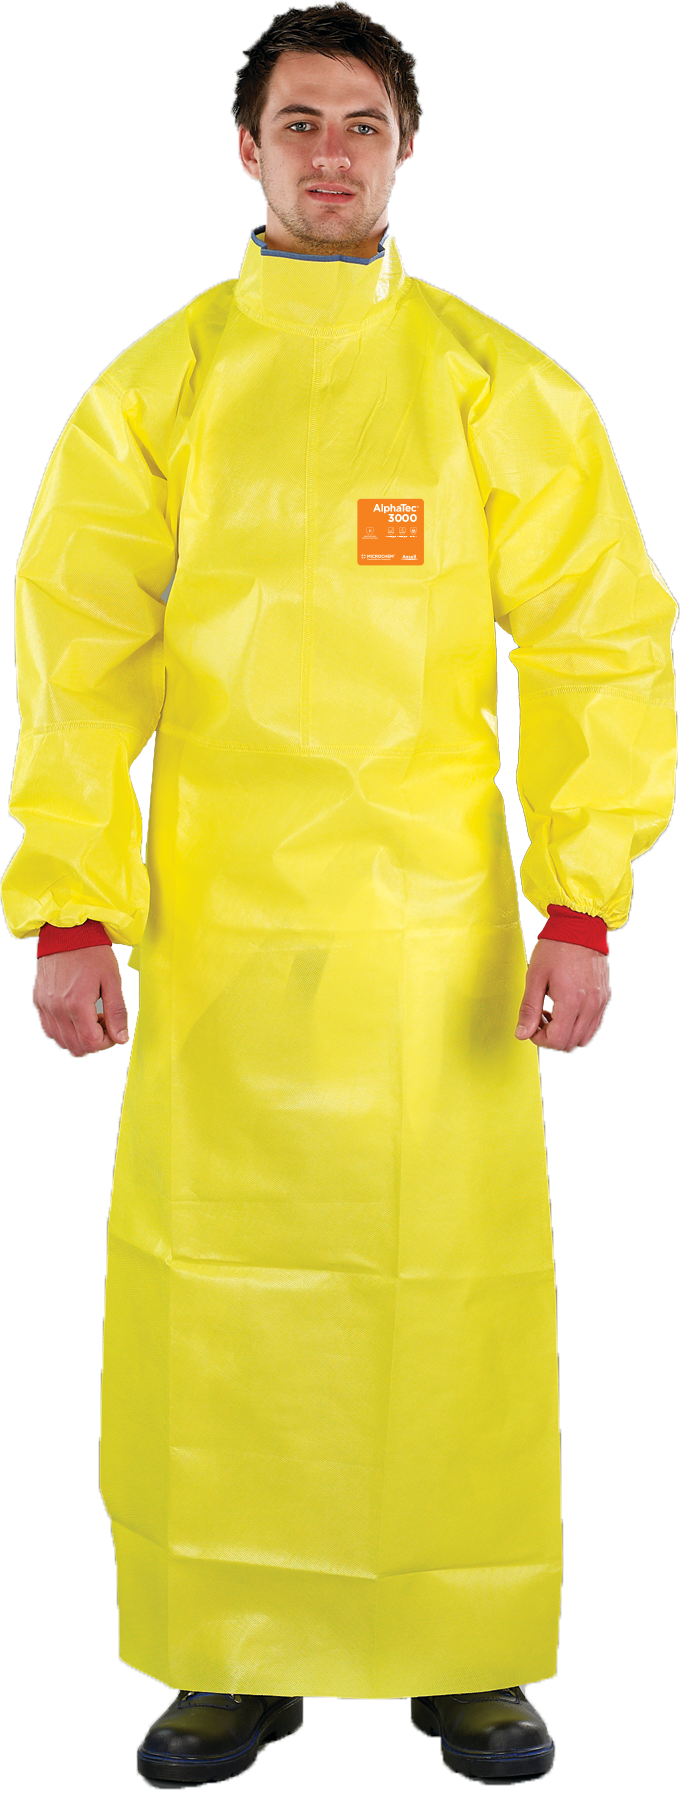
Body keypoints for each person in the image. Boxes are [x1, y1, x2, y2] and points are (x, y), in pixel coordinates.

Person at [2, 0, 676, 1790]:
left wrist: (582, 897)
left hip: (431, 940)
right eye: (297, 121)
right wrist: (71, 903)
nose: (328, 153)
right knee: (219, 1298)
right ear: (245, 147)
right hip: (220, 935)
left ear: (406, 151)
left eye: (361, 123)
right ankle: (227, 1651)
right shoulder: (158, 392)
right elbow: (75, 653)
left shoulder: (492, 388)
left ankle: (465, 1651)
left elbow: (607, 641)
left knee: (446, 1289)